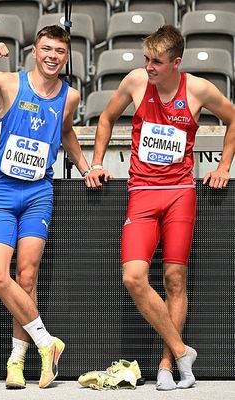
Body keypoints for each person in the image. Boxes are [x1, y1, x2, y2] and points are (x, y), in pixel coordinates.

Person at [85, 25, 235, 390]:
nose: (149, 67)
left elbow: (233, 119)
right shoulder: (136, 82)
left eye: (156, 62)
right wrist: (97, 161)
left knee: (174, 280)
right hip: (142, 192)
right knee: (133, 277)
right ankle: (184, 351)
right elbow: (105, 119)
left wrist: (223, 166)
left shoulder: (198, 89)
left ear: (176, 63)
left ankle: (168, 365)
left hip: (180, 192)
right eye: (146, 59)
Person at [0, 25, 90, 389]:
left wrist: (88, 168)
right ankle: (47, 342)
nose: (53, 56)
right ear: (34, 50)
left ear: (67, 55)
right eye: (46, 49)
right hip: (2, 192)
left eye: (60, 50)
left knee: (27, 277)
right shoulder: (8, 83)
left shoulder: (69, 96)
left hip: (39, 192)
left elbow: (66, 132)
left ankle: (17, 362)